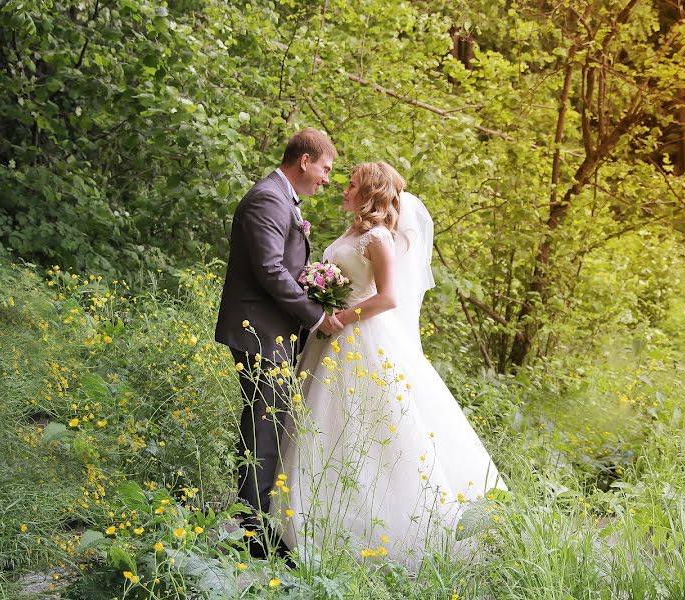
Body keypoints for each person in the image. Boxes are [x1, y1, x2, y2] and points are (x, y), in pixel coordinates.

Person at [273, 162, 504, 570]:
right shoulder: (352, 232)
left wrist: (340, 318)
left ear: (371, 193)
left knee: (366, 427)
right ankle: (300, 521)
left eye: (354, 185)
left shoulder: (378, 238)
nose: (344, 189)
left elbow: (388, 298)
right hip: (329, 336)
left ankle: (383, 530)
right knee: (321, 425)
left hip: (359, 337)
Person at [215, 128, 344, 558]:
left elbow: (283, 265)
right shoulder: (269, 198)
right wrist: (318, 316)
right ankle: (253, 532)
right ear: (305, 161)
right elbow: (271, 270)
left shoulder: (283, 198)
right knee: (265, 422)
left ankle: (255, 519)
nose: (328, 178)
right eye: (326, 168)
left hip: (270, 329)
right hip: (259, 330)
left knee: (267, 420)